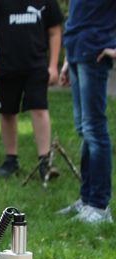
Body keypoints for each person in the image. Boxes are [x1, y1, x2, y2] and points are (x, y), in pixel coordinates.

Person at [0, 0, 63, 177]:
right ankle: (11, 159)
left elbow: (55, 32)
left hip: (36, 66)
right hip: (7, 66)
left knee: (39, 109)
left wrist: (53, 66)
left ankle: (44, 161)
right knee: (7, 112)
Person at [57, 0, 116, 224]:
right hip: (76, 50)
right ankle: (87, 200)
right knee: (85, 129)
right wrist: (67, 59)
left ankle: (99, 207)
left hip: (94, 50)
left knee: (95, 130)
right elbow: (77, 15)